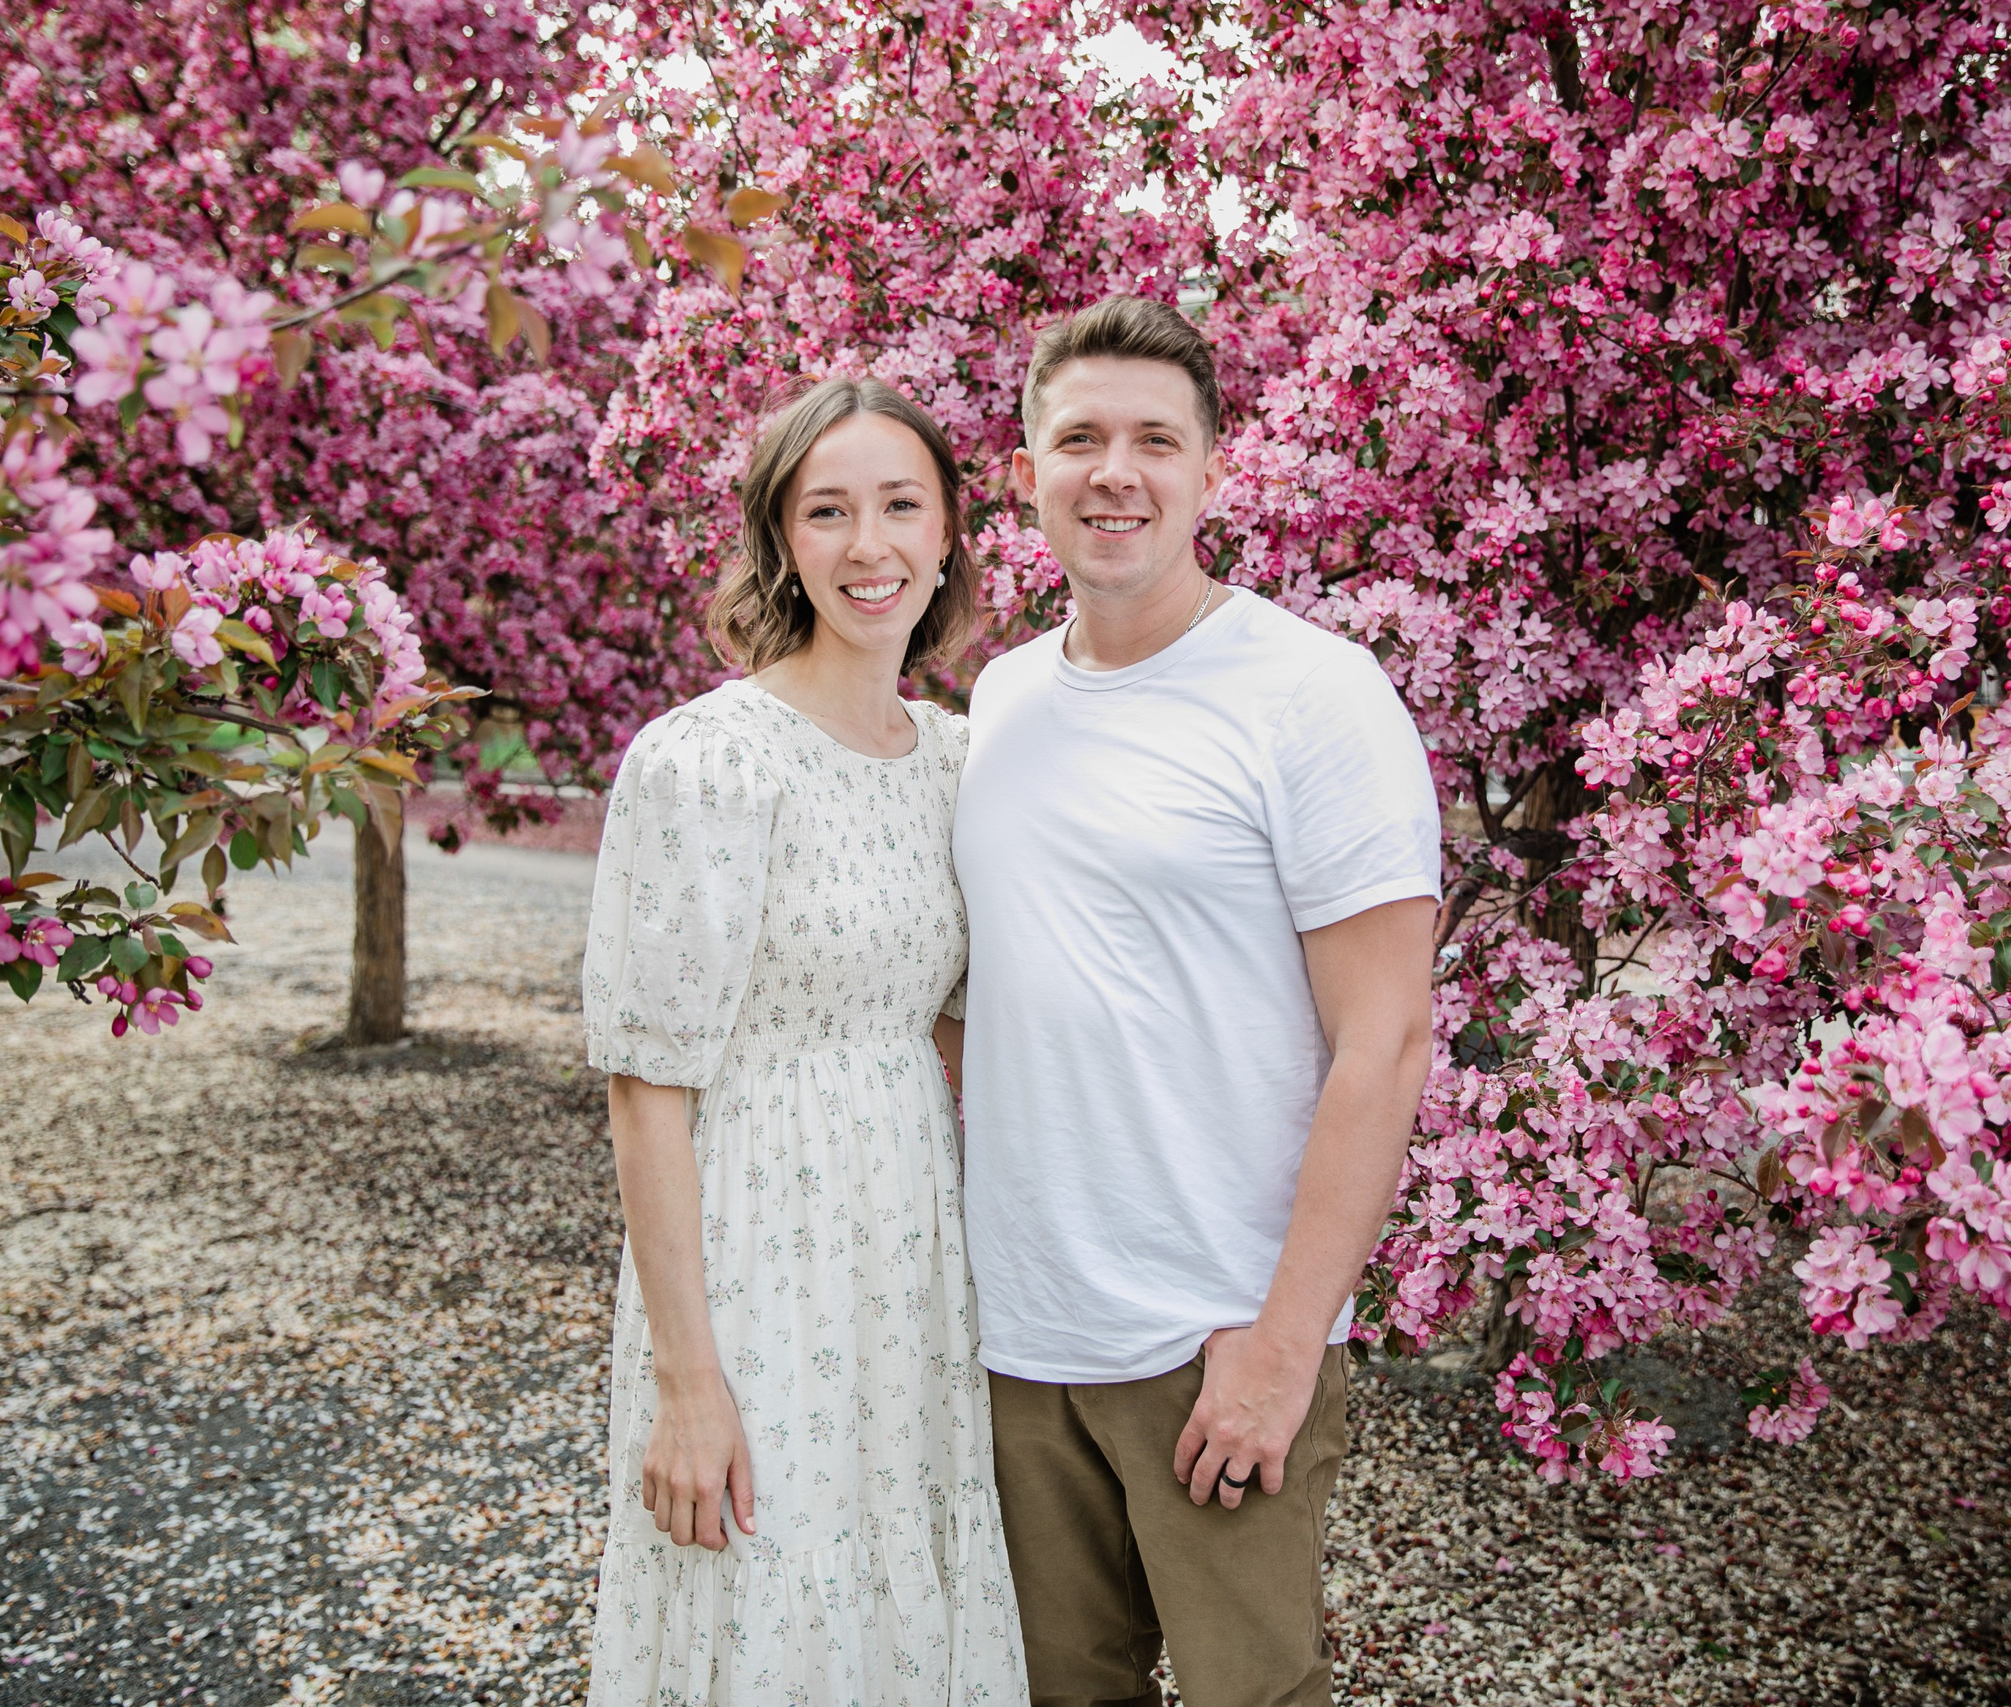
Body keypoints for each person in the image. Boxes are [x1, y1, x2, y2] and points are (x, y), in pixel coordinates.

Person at [953, 297, 1441, 1706]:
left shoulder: (1309, 695)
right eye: (1081, 438)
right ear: (1028, 467)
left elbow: (1384, 1039)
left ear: (1215, 469)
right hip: (1020, 1338)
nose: (1117, 472)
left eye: (1156, 440)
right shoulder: (1000, 702)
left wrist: (1282, 1347)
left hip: (1210, 1338)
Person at [581, 378, 1028, 1705]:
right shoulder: (709, 762)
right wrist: (686, 1384)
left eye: (900, 505)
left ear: (951, 531)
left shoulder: (953, 759)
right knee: (766, 1597)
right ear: (781, 540)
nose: (868, 545)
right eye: (826, 512)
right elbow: (646, 1089)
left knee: (902, 1601)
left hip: (912, 1258)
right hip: (756, 1257)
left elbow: (952, 1016)